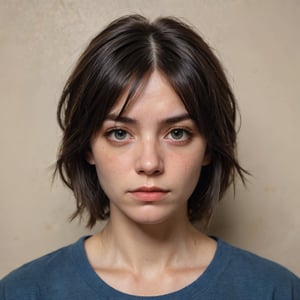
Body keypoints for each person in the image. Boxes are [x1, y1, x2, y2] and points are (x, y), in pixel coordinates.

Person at [1, 14, 299, 300]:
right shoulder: (22, 292)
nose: (149, 164)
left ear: (209, 147)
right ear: (88, 147)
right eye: (119, 133)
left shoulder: (276, 291)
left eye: (178, 133)